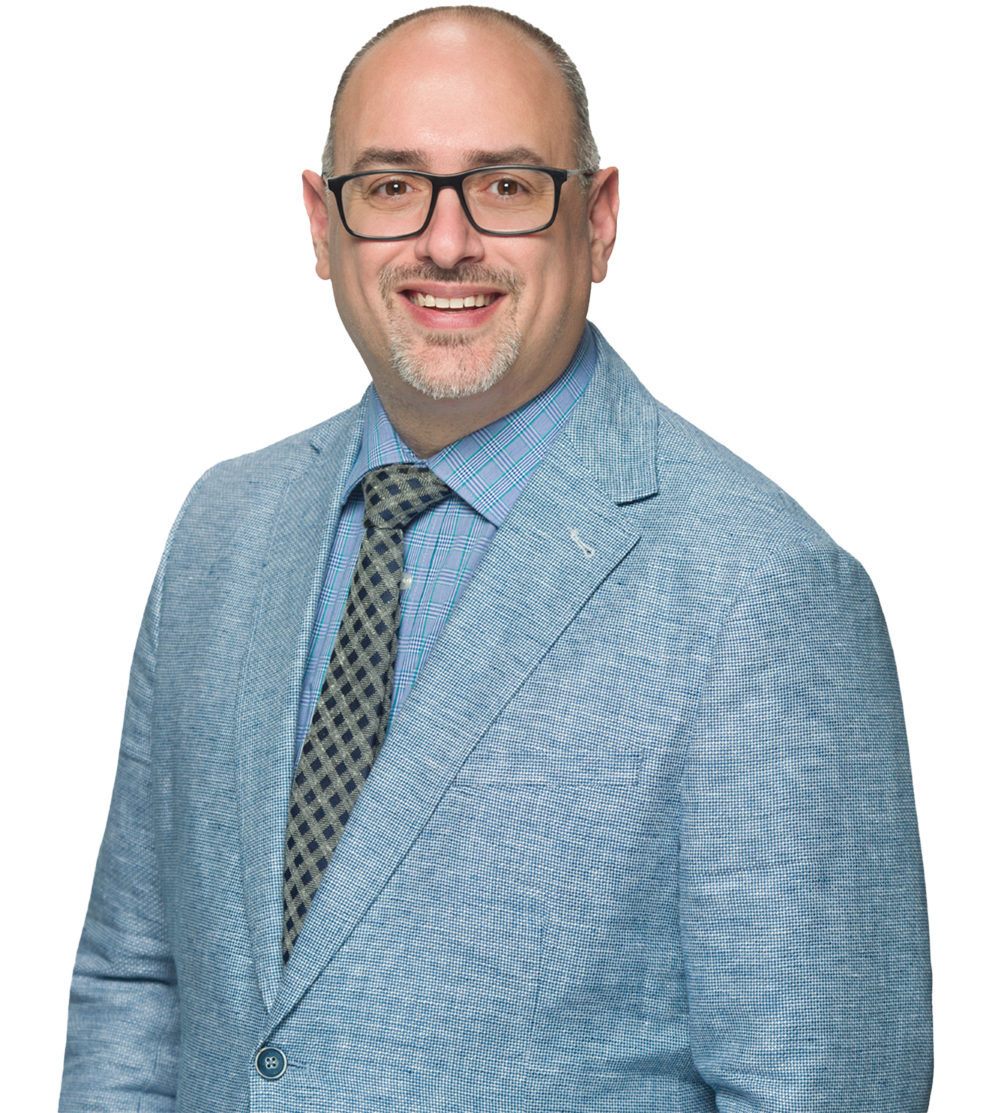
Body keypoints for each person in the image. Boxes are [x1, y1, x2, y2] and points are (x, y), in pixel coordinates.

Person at [60, 5, 933, 1110]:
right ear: (321, 228)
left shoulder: (762, 584)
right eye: (390, 187)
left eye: (505, 186)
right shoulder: (219, 526)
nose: (444, 241)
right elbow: (138, 982)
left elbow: (820, 1088)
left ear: (597, 221)